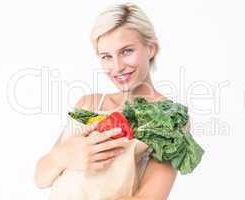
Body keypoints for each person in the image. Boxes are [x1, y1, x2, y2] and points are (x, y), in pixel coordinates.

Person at [34, 3, 185, 199]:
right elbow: (41, 178)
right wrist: (67, 155)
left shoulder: (170, 119)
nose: (117, 67)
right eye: (106, 56)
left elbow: (149, 198)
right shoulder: (89, 105)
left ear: (151, 48)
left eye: (127, 51)